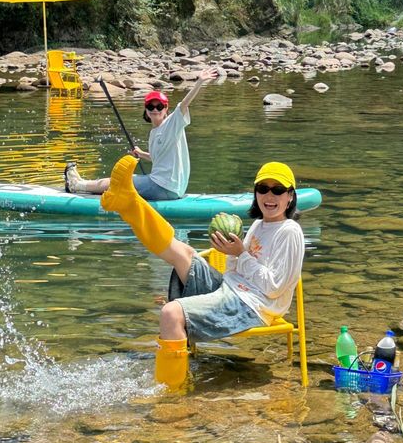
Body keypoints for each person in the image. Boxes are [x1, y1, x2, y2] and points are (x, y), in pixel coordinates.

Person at [100, 155, 305, 388]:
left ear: (290, 197)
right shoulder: (259, 225)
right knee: (184, 254)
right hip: (232, 290)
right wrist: (229, 252)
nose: (269, 196)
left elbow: (274, 287)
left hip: (254, 306)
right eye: (263, 188)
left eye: (278, 190)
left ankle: (171, 393)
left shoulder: (290, 232)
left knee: (171, 313)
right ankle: (130, 203)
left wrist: (241, 254)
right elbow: (236, 270)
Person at [64, 68, 218, 200]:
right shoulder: (154, 133)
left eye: (160, 106)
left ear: (166, 110)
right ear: (146, 110)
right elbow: (158, 159)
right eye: (151, 106)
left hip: (163, 186)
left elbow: (183, 105)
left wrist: (199, 82)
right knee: (126, 179)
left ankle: (78, 185)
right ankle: (84, 183)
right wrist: (141, 153)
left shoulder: (172, 123)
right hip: (169, 187)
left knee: (121, 180)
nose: (155, 109)